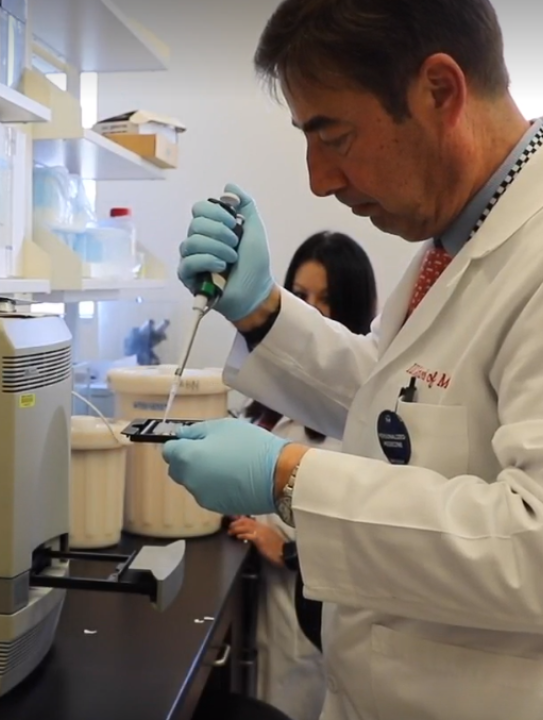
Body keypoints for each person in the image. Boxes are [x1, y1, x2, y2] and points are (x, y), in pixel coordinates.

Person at [161, 1, 543, 719]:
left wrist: (287, 478)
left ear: (439, 90)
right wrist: (262, 312)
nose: (319, 179)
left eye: (332, 135)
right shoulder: (463, 234)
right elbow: (402, 408)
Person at [228, 231, 378, 720]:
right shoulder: (270, 402)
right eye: (299, 295)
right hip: (269, 605)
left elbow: (366, 528)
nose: (310, 310)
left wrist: (290, 551)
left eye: (326, 300)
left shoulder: (359, 418)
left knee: (297, 699)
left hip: (310, 607)